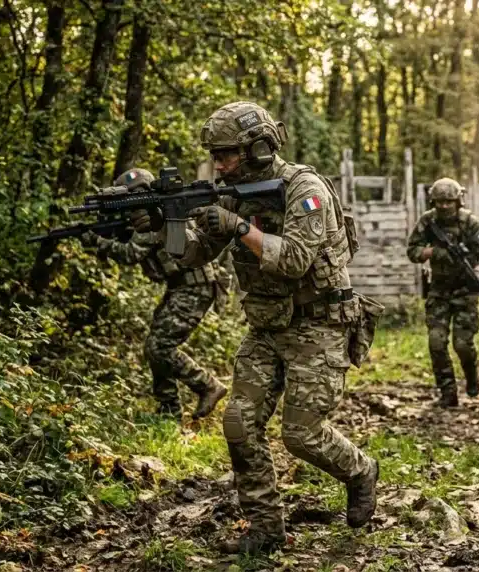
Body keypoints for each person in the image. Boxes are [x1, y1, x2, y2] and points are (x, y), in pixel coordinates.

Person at [162, 101, 379, 555]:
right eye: (214, 155)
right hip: (266, 325)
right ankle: (265, 529)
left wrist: (238, 226)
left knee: (301, 435)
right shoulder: (229, 192)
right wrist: (168, 224)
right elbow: (193, 255)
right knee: (239, 423)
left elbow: (296, 258)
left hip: (319, 324)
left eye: (226, 154)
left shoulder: (304, 188)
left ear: (259, 148)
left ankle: (360, 471)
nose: (218, 164)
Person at [79, 168, 229, 421]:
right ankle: (168, 410)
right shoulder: (151, 215)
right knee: (155, 346)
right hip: (182, 286)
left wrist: (96, 241)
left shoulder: (155, 215)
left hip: (195, 286)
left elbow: (131, 254)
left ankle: (207, 385)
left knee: (159, 346)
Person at [406, 178, 479, 407]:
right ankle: (448, 392)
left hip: (465, 292)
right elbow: (412, 250)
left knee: (463, 345)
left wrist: (478, 270)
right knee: (436, 343)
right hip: (439, 291)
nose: (444, 206)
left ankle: (472, 375)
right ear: (433, 202)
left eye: (449, 202)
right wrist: (433, 252)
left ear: (458, 201)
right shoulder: (428, 222)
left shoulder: (470, 223)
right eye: (439, 202)